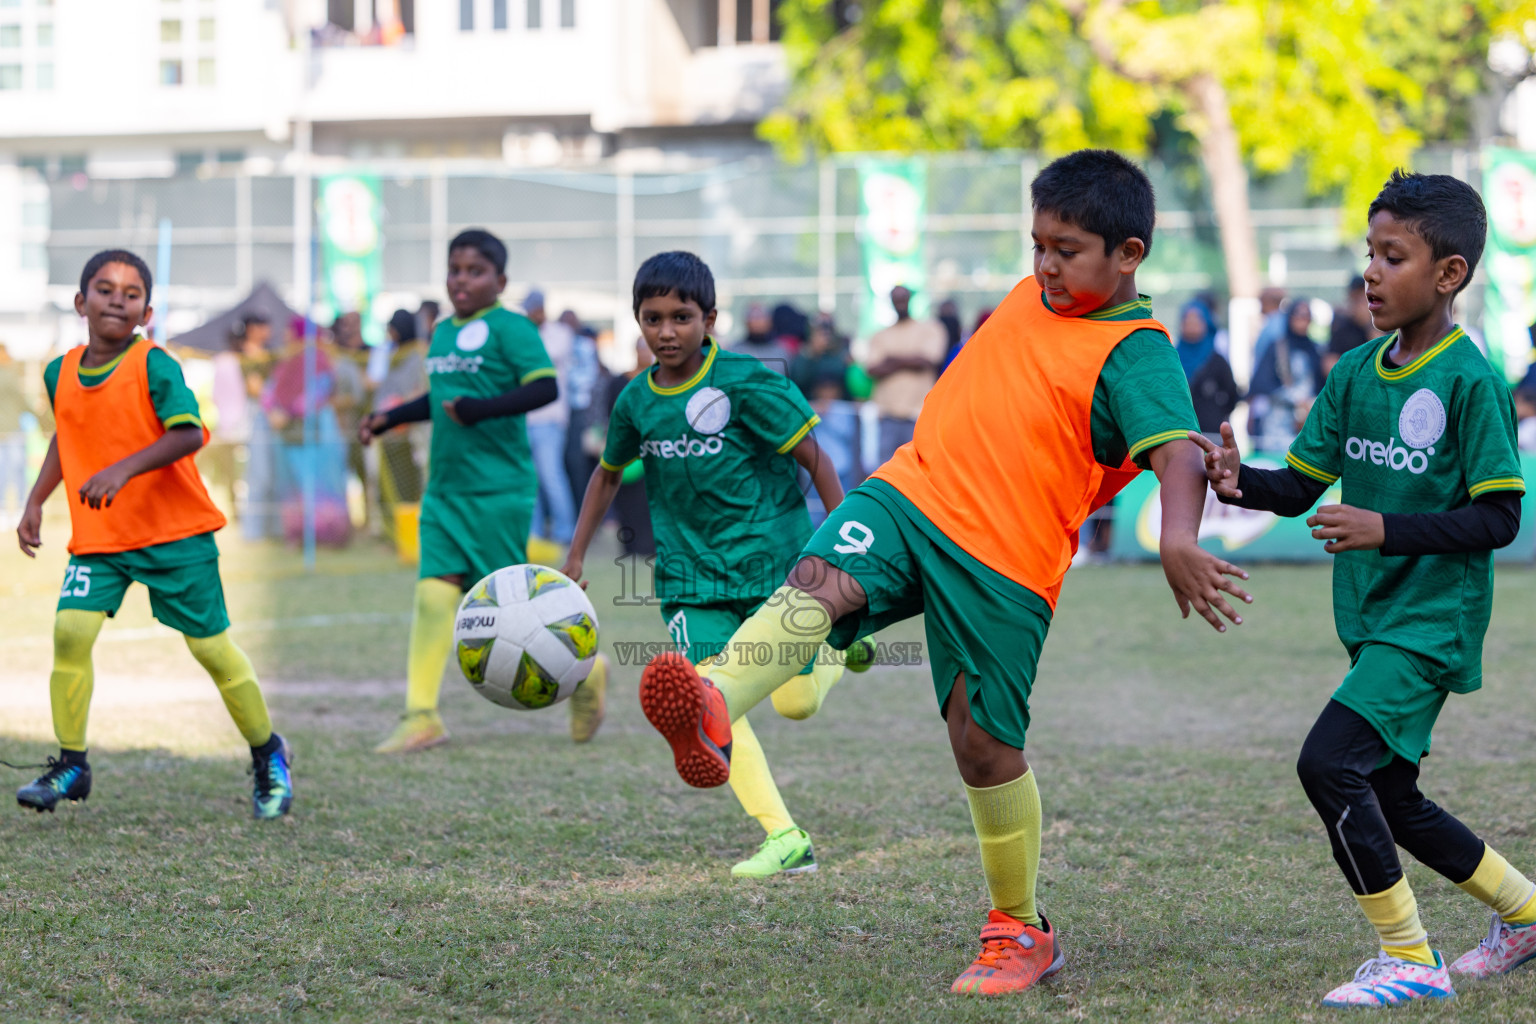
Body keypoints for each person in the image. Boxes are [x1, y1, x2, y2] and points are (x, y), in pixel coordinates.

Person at [634, 150, 1251, 994]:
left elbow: (1178, 450)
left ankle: (1021, 928)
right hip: (912, 491)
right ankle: (712, 703)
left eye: (1066, 249)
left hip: (1005, 559)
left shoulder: (1136, 349)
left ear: (1129, 255)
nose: (1044, 265)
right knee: (820, 580)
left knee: (983, 746)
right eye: (1037, 245)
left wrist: (1179, 538)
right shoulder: (1035, 294)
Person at [1194, 170, 1536, 1008]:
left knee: (1329, 763)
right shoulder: (1353, 372)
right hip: (1376, 618)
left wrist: (1387, 529)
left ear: (1449, 274)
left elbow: (1499, 520)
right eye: (1369, 255)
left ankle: (1409, 959)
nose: (1372, 275)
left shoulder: (1470, 382)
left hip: (1432, 622)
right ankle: (1527, 915)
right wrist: (1239, 483)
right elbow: (1303, 483)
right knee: (1390, 792)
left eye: (1395, 257)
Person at [561, 251, 871, 878]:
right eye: (653, 318)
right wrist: (573, 556)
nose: (667, 331)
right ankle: (784, 837)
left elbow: (819, 462)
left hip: (776, 570)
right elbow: (606, 474)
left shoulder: (747, 381)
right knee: (706, 697)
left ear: (710, 319)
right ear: (637, 323)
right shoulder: (635, 401)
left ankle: (841, 650)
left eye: (681, 316)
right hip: (688, 581)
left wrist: (846, 552)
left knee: (797, 705)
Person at [13, 250, 293, 818]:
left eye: (132, 292)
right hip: (103, 536)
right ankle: (72, 764)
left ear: (145, 310)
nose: (118, 298)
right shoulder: (57, 371)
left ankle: (269, 754)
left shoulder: (154, 364)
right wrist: (36, 499)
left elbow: (189, 434)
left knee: (212, 650)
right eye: (105, 288)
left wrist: (122, 468)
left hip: (174, 534)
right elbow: (67, 437)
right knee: (69, 633)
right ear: (80, 301)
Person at [359, 230, 607, 754]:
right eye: (455, 269)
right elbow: (441, 400)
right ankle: (420, 715)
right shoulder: (443, 330)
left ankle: (589, 671)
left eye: (475, 271)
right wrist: (388, 418)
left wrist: (481, 409)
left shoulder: (511, 328)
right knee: (432, 596)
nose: (462, 280)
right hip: (445, 491)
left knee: (518, 618)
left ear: (501, 280)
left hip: (499, 491)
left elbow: (545, 387)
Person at [862, 285, 947, 465]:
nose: (900, 302)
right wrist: (912, 359)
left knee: (919, 470)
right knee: (886, 472)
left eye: (903, 297)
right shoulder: (880, 334)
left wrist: (891, 360)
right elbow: (872, 369)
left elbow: (928, 361)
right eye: (896, 298)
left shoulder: (931, 329)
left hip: (918, 415)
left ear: (909, 299)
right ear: (891, 302)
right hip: (887, 415)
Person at [521, 289, 576, 546]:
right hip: (525, 419)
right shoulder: (526, 334)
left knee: (550, 476)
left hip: (550, 419)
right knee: (530, 480)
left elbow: (539, 360)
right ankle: (535, 534)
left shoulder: (559, 334)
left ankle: (565, 531)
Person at [373, 309, 429, 519]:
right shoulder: (394, 355)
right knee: (392, 482)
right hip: (389, 431)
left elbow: (420, 390)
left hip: (410, 431)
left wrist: (402, 410)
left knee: (412, 482)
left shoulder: (417, 355)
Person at [1247, 297, 1324, 451]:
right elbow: (1261, 382)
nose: (1302, 320)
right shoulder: (1277, 347)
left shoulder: (1316, 348)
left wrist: (1309, 404)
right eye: (1298, 315)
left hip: (1308, 421)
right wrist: (1295, 399)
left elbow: (1322, 384)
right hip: (1278, 423)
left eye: (1306, 316)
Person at [1174, 299, 1239, 436]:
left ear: (1206, 324)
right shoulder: (1173, 357)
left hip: (1211, 433)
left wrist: (1217, 412)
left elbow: (1232, 393)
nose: (1191, 326)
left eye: (1196, 321)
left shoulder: (1216, 360)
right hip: (1179, 431)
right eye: (1187, 322)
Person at [0, 341, 32, 517]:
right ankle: (20, 507)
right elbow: (22, 400)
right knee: (18, 470)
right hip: (12, 430)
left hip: (6, 431)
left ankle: (4, 510)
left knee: (3, 472)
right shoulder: (10, 374)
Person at [1325, 275, 1373, 375]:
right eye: (1356, 297)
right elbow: (1330, 363)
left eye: (1363, 297)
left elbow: (1385, 353)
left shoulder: (1380, 322)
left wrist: (1368, 324)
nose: (1360, 303)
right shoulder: (1342, 324)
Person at [729, 303, 790, 372]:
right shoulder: (735, 351)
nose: (756, 321)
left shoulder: (780, 351)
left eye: (760, 316)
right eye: (753, 316)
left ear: (769, 321)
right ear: (746, 322)